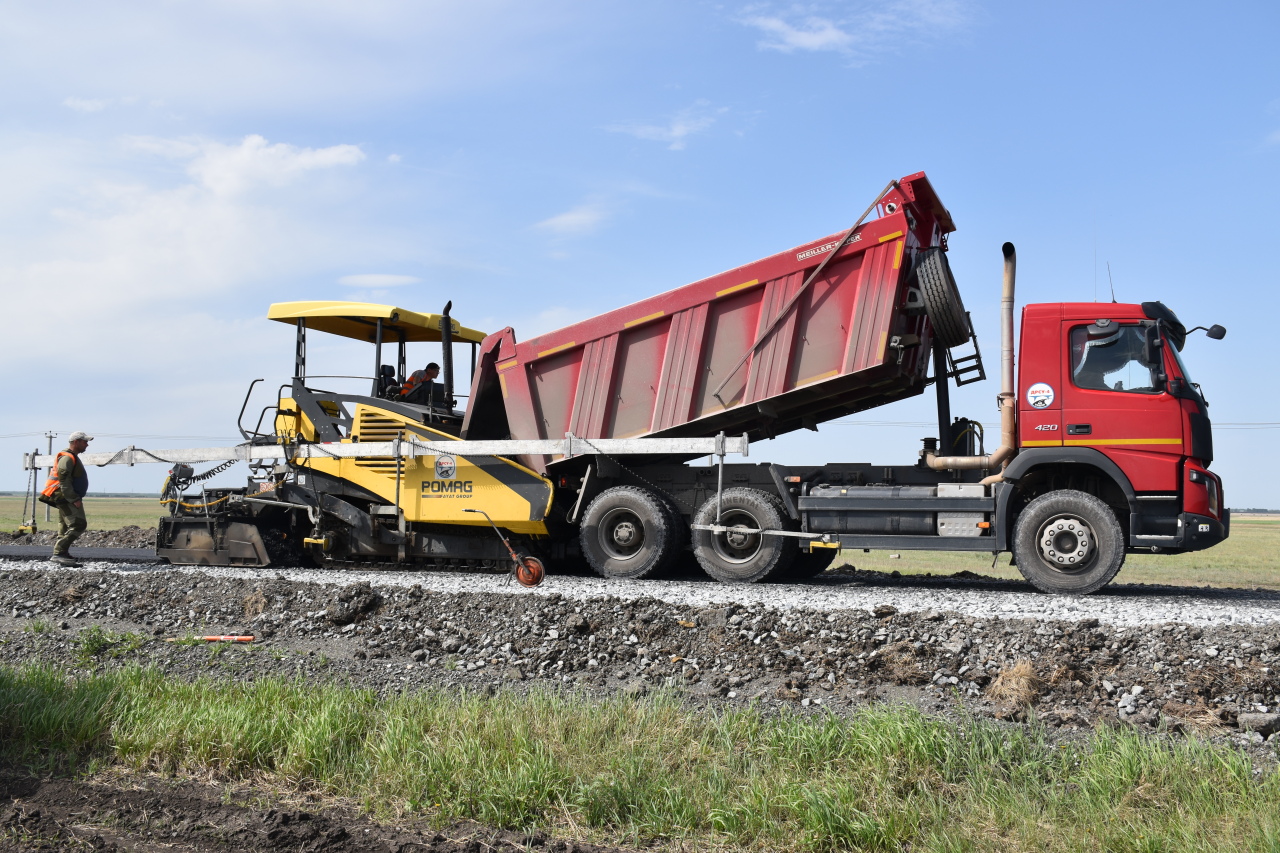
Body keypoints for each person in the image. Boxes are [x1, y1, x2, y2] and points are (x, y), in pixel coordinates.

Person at [40, 431, 92, 567]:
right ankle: (58, 553)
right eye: (84, 441)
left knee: (64, 525)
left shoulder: (71, 456)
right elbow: (64, 481)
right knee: (78, 524)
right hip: (65, 496)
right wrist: (73, 498)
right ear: (76, 442)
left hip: (64, 496)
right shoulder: (67, 458)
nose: (87, 444)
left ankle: (62, 553)